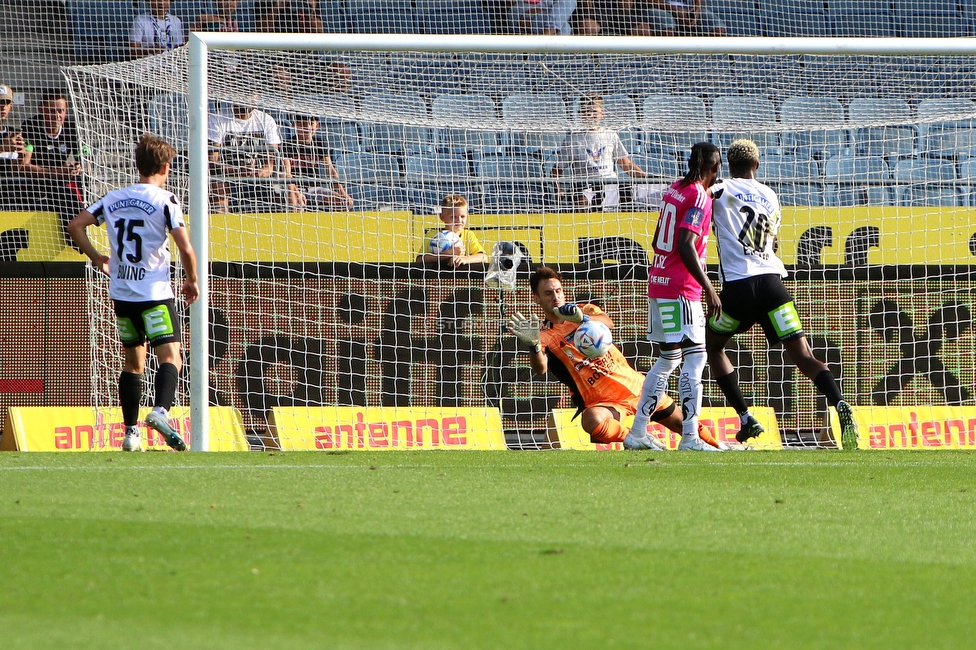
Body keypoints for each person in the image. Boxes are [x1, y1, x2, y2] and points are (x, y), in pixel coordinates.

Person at [706, 139, 859, 450]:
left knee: (713, 348)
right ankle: (840, 403)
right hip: (774, 285)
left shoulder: (718, 189)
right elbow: (773, 244)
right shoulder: (771, 195)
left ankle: (746, 416)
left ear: (727, 166)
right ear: (757, 165)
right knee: (804, 356)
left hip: (738, 287)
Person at [67, 133, 198, 453]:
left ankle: (130, 434)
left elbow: (75, 225)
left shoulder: (112, 198)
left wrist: (97, 257)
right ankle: (160, 412)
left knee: (133, 362)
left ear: (137, 165)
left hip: (122, 294)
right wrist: (192, 279)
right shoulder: (166, 200)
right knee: (171, 357)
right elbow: (185, 248)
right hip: (154, 292)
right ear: (166, 167)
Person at [507, 266, 725, 449]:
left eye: (558, 290)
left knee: (685, 424)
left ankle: (721, 448)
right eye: (548, 293)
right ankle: (635, 438)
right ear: (536, 298)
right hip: (603, 401)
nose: (555, 297)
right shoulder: (544, 336)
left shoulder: (583, 310)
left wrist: (582, 318)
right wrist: (534, 345)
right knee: (591, 420)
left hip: (637, 387)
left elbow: (608, 323)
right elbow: (541, 368)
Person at [627, 141, 723, 452]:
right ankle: (691, 437)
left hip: (659, 280)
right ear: (712, 169)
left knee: (668, 358)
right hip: (682, 288)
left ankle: (638, 432)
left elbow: (658, 239)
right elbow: (685, 243)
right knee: (696, 357)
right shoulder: (698, 194)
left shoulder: (676, 188)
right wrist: (708, 287)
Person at [551, 95, 647, 211]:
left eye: (594, 111)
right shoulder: (573, 139)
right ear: (580, 114)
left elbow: (625, 164)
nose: (590, 115)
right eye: (586, 111)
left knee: (628, 195)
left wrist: (646, 177)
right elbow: (556, 170)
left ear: (602, 113)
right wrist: (558, 189)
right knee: (582, 201)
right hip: (584, 185)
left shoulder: (610, 134)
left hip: (610, 183)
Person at [19, 89, 84, 246]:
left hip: (60, 182)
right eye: (51, 111)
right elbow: (23, 167)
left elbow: (85, 158)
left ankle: (77, 240)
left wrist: (77, 166)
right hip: (36, 182)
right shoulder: (30, 126)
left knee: (74, 191)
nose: (57, 116)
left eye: (60, 111)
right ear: (41, 110)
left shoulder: (71, 129)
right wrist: (55, 172)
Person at [208, 98, 283, 212]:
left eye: (252, 95)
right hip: (228, 177)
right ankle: (223, 224)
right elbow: (212, 161)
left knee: (288, 182)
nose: (247, 99)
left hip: (260, 178)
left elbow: (272, 162)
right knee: (217, 185)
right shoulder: (217, 119)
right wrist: (236, 171)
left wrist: (262, 171)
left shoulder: (266, 120)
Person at [281, 113, 353, 211]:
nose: (307, 127)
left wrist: (343, 193)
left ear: (317, 125)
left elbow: (330, 170)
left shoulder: (319, 143)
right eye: (302, 124)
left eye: (311, 123)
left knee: (342, 202)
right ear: (294, 125)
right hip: (295, 188)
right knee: (296, 203)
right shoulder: (286, 145)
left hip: (315, 189)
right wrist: (297, 193)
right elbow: (287, 174)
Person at [415, 194, 488, 268]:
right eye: (453, 217)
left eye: (462, 216)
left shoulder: (468, 235)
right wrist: (448, 253)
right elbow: (420, 260)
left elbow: (483, 257)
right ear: (442, 217)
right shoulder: (432, 235)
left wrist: (465, 259)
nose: (459, 221)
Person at [0, 83, 27, 175]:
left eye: (6, 102)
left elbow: (15, 171)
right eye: (0, 102)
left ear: (10, 106)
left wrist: (21, 156)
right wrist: (2, 148)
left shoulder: (14, 133)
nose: (3, 107)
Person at [511, 0, 578, 34]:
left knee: (565, 28)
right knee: (565, 28)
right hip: (523, 10)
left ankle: (548, 36)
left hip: (550, 15)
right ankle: (549, 33)